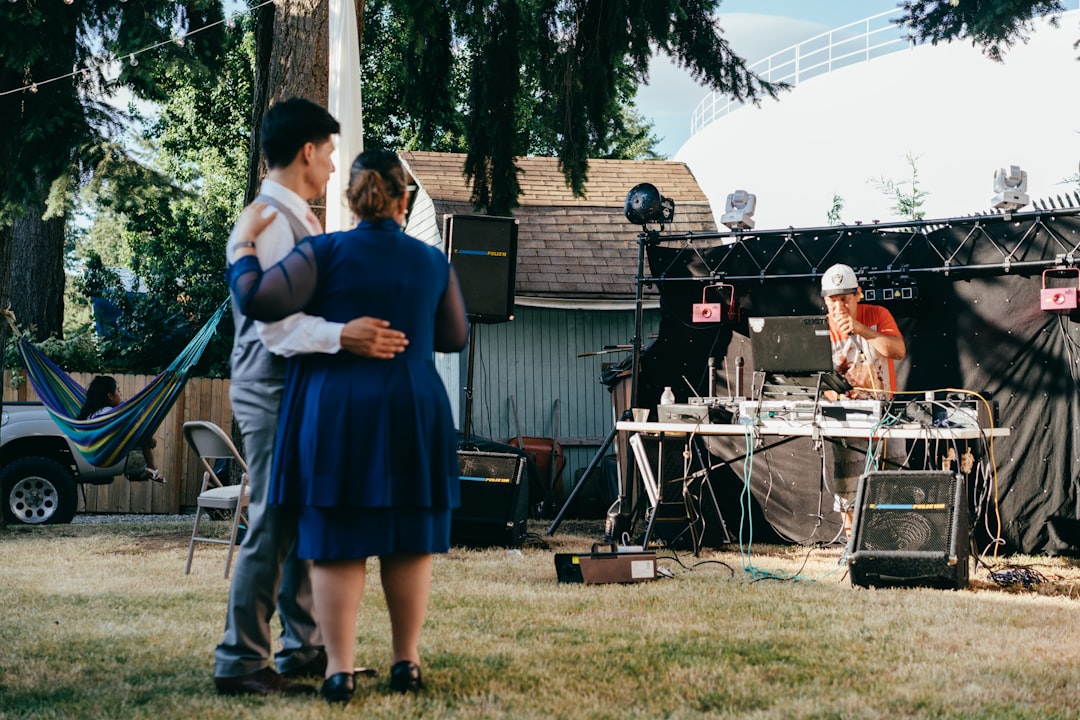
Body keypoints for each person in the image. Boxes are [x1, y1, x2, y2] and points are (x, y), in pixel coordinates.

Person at [229, 149, 468, 704]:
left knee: (337, 538)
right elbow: (455, 336)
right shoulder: (432, 261)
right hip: (412, 402)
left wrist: (244, 248)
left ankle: (338, 669)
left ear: (351, 199)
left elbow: (259, 301)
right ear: (403, 200)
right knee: (409, 536)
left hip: (337, 407)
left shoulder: (321, 252)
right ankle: (405, 661)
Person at [214, 98, 410, 698]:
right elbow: (274, 325)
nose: (332, 164)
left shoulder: (293, 217)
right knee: (273, 518)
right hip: (271, 383)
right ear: (307, 150)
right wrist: (343, 335)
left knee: (297, 516)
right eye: (328, 151)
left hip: (293, 385)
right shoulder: (271, 221)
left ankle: (307, 649)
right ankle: (241, 661)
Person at [820, 263, 907, 540]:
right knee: (848, 487)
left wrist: (860, 329)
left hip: (884, 413)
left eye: (844, 300)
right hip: (844, 416)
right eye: (832, 301)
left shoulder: (878, 315)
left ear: (858, 294)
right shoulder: (822, 328)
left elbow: (897, 351)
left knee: (893, 480)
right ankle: (853, 545)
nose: (838, 308)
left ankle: (894, 541)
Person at [77, 375, 163, 482]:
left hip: (97, 449)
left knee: (143, 434)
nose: (120, 393)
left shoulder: (92, 413)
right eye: (118, 391)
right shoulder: (108, 412)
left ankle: (147, 467)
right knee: (146, 437)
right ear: (110, 396)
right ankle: (150, 467)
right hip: (106, 449)